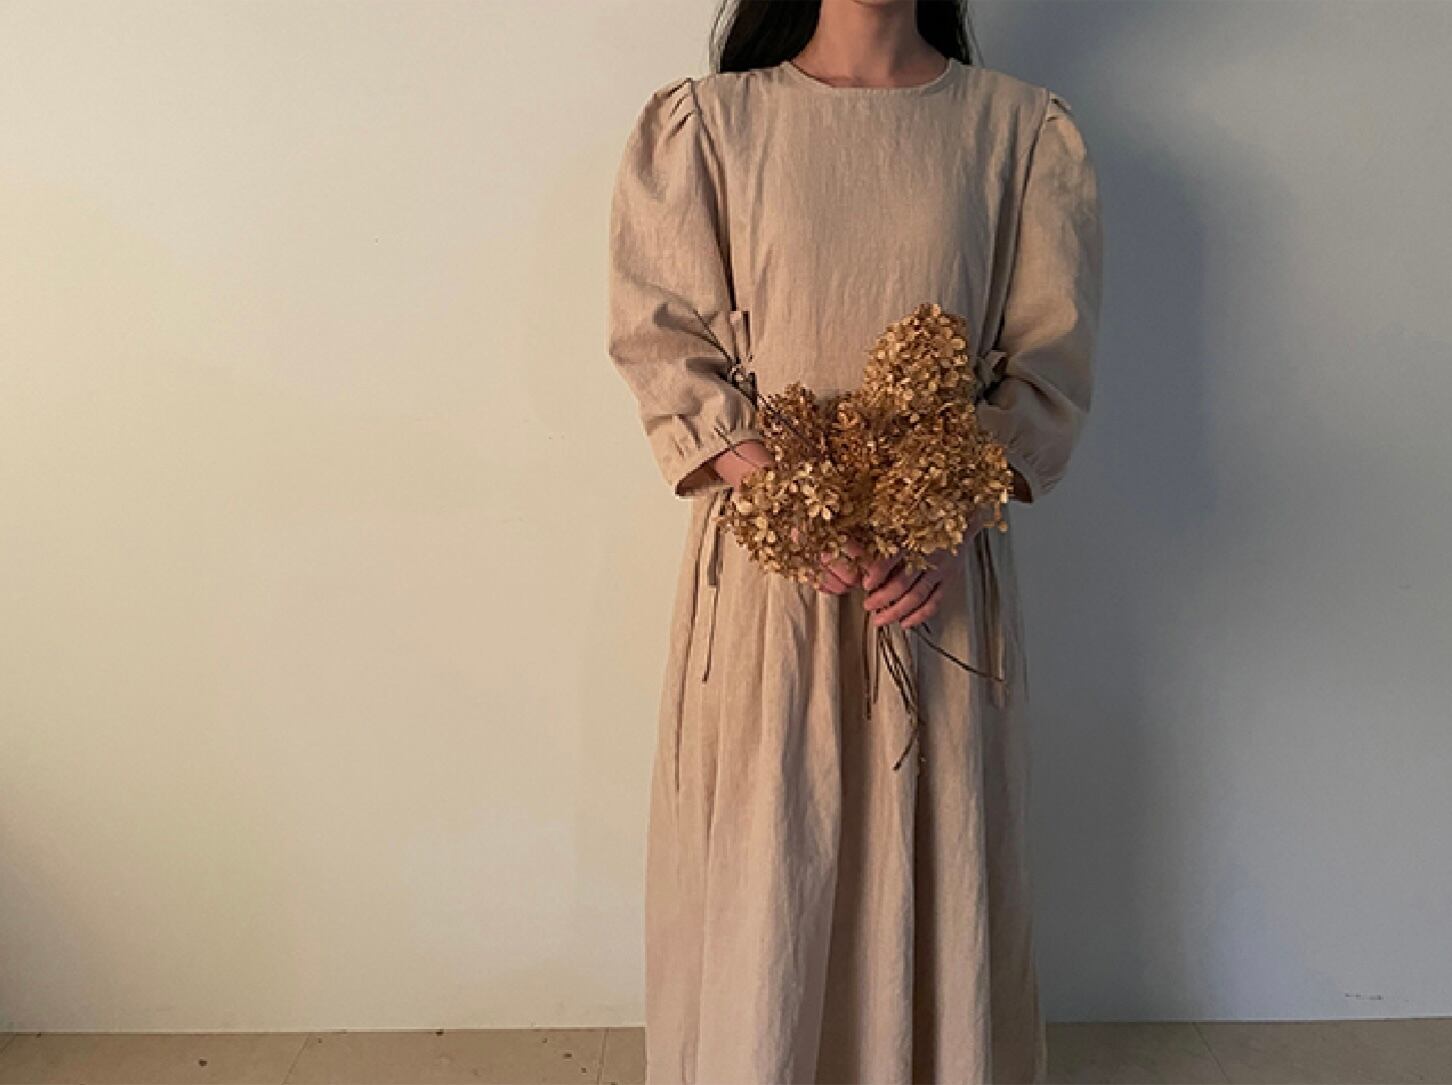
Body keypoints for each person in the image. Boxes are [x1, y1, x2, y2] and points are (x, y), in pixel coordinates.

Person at [604, 1, 1103, 1081]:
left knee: (938, 864)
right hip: (769, 586)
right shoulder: (710, 127)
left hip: (935, 587)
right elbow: (663, 343)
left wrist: (943, 511)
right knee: (768, 878)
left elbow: (1046, 366)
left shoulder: (1019, 133)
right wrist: (789, 503)